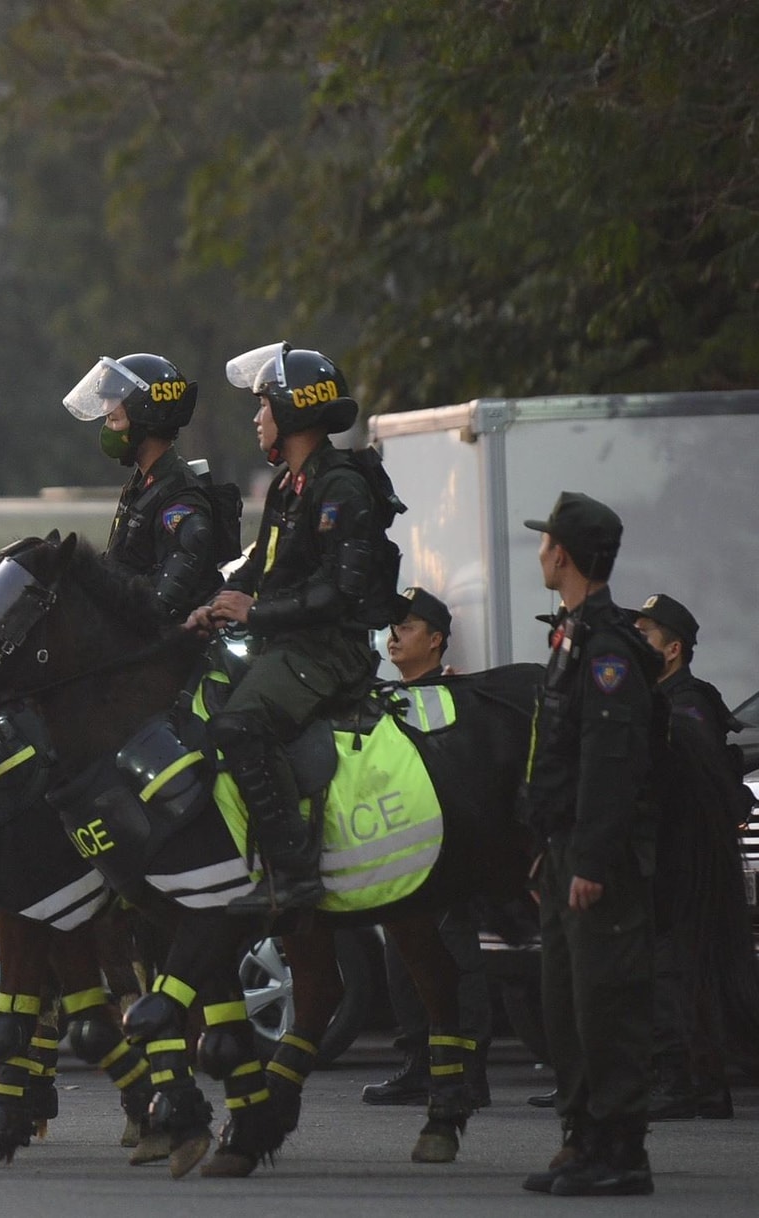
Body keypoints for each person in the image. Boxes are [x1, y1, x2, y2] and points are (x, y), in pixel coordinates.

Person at [186, 343, 402, 913]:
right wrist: (214, 605)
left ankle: (293, 876)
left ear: (292, 410)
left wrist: (253, 613)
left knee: (238, 726)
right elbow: (258, 570)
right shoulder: (287, 486)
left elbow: (340, 593)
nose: (257, 418)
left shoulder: (343, 488)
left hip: (331, 651)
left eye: (263, 405)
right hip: (285, 645)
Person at [519, 492, 658, 1197]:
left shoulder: (607, 650)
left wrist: (594, 862)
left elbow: (610, 762)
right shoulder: (572, 634)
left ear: (563, 555)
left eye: (546, 542)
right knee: (567, 1004)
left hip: (596, 858)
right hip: (565, 850)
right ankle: (581, 1137)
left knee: (605, 1003)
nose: (540, 551)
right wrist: (547, 847)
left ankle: (621, 1151)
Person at [362, 588, 491, 1108]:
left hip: (447, 850)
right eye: (392, 626)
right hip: (398, 850)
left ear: (436, 640)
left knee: (452, 954)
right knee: (402, 957)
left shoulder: (458, 699)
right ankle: (420, 1062)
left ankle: (466, 1071)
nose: (394, 636)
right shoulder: (383, 700)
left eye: (408, 627)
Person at [633, 593, 741, 1121]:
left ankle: (683, 1082)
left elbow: (699, 775)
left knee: (676, 967)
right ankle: (695, 1083)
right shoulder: (660, 701)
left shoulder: (688, 702)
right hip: (671, 856)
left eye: (646, 636)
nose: (636, 644)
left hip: (684, 860)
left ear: (672, 649)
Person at [61, 352, 226, 619]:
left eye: (114, 419)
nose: (107, 429)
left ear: (144, 422)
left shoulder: (180, 499)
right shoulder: (144, 485)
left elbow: (161, 604)